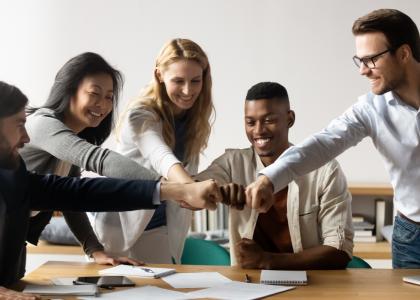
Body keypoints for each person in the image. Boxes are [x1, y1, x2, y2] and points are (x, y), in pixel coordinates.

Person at [0, 81, 221, 297]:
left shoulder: (14, 172)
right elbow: (98, 160)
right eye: (19, 125)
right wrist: (179, 188)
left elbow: (76, 193)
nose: (26, 137)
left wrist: (172, 191)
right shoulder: (43, 128)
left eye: (109, 96)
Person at [246, 9, 420, 268]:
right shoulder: (371, 109)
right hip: (411, 236)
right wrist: (269, 178)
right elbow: (322, 143)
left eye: (371, 60)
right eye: (359, 60)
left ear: (404, 53)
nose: (363, 70)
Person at [20, 52, 162, 266]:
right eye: (95, 93)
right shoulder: (41, 124)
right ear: (69, 91)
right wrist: (169, 187)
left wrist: (95, 250)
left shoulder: (69, 141)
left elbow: (69, 199)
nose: (103, 105)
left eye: (108, 97)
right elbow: (98, 158)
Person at [196, 82, 353, 269]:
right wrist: (218, 191)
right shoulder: (232, 163)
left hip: (310, 286)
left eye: (269, 120)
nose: (258, 130)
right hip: (246, 286)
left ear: (290, 119)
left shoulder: (325, 170)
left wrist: (267, 261)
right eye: (250, 122)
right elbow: (192, 192)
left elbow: (339, 251)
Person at [92, 38, 214, 263]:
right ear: (159, 75)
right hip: (118, 222)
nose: (188, 90)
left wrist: (195, 192)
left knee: (165, 291)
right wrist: (191, 191)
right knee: (114, 293)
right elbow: (161, 158)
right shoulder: (139, 114)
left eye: (195, 80)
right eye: (178, 80)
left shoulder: (194, 120)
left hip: (158, 225)